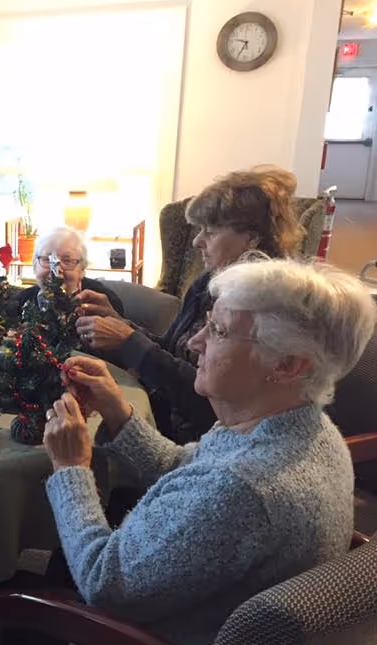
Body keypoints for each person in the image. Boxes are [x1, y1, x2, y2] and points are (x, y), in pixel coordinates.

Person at [42, 258, 376, 645]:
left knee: (5, 592)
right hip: (211, 627)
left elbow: (104, 581)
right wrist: (119, 413)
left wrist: (71, 469)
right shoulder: (306, 432)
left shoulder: (242, 490)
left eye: (218, 331)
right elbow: (191, 469)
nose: (195, 341)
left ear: (288, 365)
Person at [75, 166, 304, 442]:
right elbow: (172, 352)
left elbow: (211, 404)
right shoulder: (207, 282)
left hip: (202, 440)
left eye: (211, 231)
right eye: (199, 229)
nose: (197, 241)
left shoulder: (265, 306)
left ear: (251, 238)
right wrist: (117, 324)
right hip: (164, 418)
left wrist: (129, 341)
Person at [16, 227, 124, 317]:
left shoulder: (104, 302)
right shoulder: (22, 301)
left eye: (67, 261)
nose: (56, 271)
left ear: (82, 269)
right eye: (47, 260)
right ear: (34, 266)